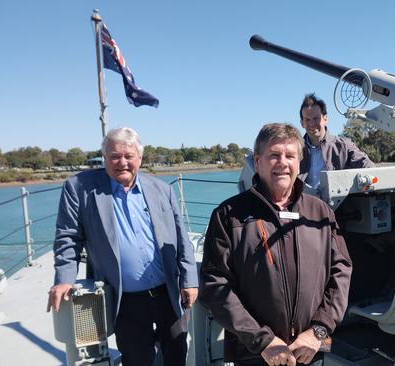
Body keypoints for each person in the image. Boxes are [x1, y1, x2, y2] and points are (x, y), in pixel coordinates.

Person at [199, 123, 352, 366]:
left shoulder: (320, 212)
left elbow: (341, 271)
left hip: (310, 352)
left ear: (299, 163)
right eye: (274, 155)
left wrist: (318, 333)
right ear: (257, 161)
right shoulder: (229, 215)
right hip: (255, 355)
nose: (283, 162)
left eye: (290, 155)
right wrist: (263, 341)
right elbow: (215, 286)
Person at [47, 127, 198, 366]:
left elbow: (181, 239)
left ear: (140, 158)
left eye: (129, 156)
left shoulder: (162, 189)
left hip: (168, 291)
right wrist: (65, 278)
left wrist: (189, 280)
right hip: (125, 298)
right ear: (104, 157)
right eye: (115, 156)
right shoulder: (79, 187)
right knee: (137, 358)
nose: (122, 162)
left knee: (177, 353)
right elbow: (68, 237)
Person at [299, 93, 374, 189]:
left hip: (335, 203)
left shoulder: (344, 146)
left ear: (325, 119)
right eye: (307, 119)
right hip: (304, 201)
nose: (312, 123)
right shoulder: (294, 150)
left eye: (316, 118)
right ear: (302, 123)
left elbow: (367, 166)